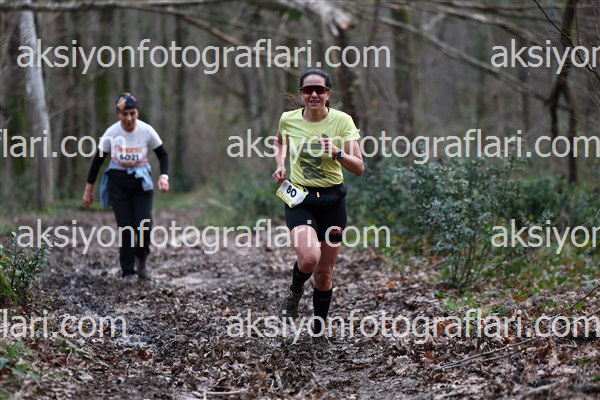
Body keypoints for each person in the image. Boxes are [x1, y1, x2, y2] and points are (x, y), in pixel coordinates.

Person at [272, 69, 364, 345]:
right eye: (308, 90)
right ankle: (294, 291)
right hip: (300, 199)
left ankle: (318, 331)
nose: (314, 94)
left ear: (328, 93)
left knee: (324, 274)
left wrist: (337, 152)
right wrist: (280, 164)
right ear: (301, 94)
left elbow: (358, 167)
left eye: (320, 90)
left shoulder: (342, 121)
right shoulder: (288, 119)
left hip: (333, 202)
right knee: (309, 258)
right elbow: (279, 141)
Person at [82, 92, 169, 282]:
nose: (129, 118)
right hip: (118, 183)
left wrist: (164, 176)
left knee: (144, 225)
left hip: (141, 183)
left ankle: (142, 259)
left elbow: (163, 154)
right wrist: (88, 190)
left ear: (137, 113)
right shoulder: (112, 133)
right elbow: (97, 161)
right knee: (126, 227)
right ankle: (128, 270)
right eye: (124, 114)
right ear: (118, 115)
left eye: (132, 113)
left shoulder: (146, 130)